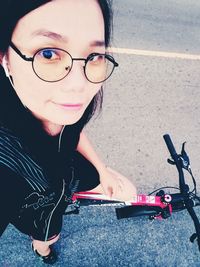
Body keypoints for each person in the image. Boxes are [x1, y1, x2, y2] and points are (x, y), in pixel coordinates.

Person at [0, 0, 136, 264]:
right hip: (38, 207)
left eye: (94, 56)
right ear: (4, 56)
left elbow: (73, 132)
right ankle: (42, 251)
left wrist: (102, 170)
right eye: (48, 54)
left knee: (128, 192)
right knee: (48, 236)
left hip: (67, 174)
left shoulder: (64, 107)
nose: (78, 85)